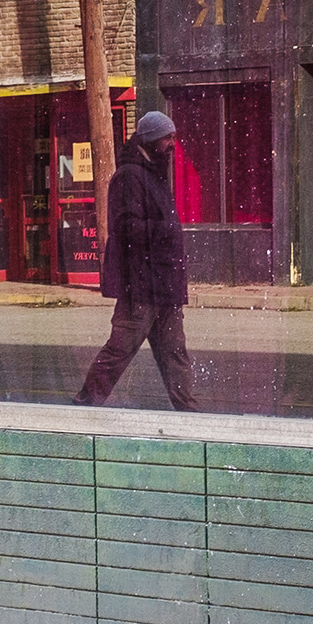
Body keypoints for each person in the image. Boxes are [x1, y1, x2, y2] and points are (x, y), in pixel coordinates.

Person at [72, 110, 199, 411]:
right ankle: (85, 403)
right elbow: (125, 228)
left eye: (173, 137)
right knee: (121, 349)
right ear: (151, 139)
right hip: (142, 285)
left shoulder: (154, 172)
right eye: (167, 138)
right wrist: (166, 231)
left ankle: (189, 412)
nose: (172, 144)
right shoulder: (129, 176)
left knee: (174, 351)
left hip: (163, 283)